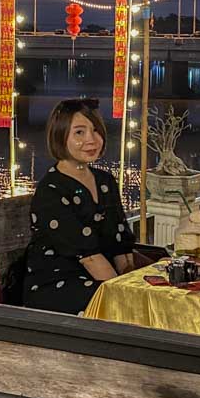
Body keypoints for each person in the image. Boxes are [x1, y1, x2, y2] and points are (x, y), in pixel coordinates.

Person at [23, 98, 135, 314]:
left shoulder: (105, 181)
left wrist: (132, 281)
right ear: (60, 135)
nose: (91, 140)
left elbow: (119, 243)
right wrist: (123, 294)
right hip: (57, 283)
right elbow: (89, 257)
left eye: (95, 130)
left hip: (102, 276)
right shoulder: (51, 190)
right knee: (126, 305)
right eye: (79, 133)